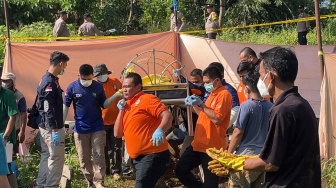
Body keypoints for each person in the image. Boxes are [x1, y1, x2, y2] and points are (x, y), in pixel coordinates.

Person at [242, 47, 321, 187]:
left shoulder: (282, 111)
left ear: (271, 76)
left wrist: (237, 163)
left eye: (261, 76)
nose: (260, 81)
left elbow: (270, 163)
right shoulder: (302, 104)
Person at [63, 64, 122, 188]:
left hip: (97, 127)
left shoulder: (98, 86)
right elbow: (66, 106)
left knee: (99, 155)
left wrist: (115, 96)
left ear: (92, 77)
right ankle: (90, 182)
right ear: (79, 76)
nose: (87, 82)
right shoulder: (72, 87)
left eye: (89, 79)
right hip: (80, 128)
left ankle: (99, 182)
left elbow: (104, 105)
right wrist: (60, 126)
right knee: (84, 158)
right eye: (84, 79)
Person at [175, 66, 232, 188]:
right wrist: (195, 105)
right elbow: (205, 115)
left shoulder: (224, 94)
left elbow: (217, 119)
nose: (205, 85)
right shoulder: (211, 94)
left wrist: (201, 104)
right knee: (180, 169)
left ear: (216, 81)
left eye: (207, 82)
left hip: (212, 148)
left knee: (210, 184)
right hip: (198, 145)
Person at [114, 72, 172, 188]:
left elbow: (168, 116)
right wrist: (121, 110)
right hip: (138, 158)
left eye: (128, 86)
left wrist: (160, 130)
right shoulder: (127, 105)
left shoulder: (147, 99)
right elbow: (117, 133)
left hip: (152, 154)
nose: (124, 90)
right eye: (123, 87)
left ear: (138, 87)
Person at [227, 71, 272, 188]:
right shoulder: (270, 106)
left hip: (246, 156)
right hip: (263, 157)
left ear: (247, 89)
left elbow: (238, 132)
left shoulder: (246, 106)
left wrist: (228, 155)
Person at [35, 51, 69, 188]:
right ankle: (51, 186)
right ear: (60, 63)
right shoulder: (49, 82)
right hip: (51, 127)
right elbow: (47, 107)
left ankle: (41, 184)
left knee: (46, 155)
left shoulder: (48, 79)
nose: (64, 68)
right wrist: (54, 129)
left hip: (45, 125)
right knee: (56, 158)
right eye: (65, 65)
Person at [93, 64, 123, 179]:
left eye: (102, 74)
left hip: (116, 120)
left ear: (106, 73)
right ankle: (106, 169)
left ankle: (117, 171)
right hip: (101, 122)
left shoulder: (115, 81)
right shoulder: (95, 86)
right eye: (98, 75)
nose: (100, 77)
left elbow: (124, 95)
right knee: (103, 148)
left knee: (117, 147)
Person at [1, 73, 27, 155]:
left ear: (12, 82)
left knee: (11, 155)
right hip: (3, 128)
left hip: (14, 129)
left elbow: (23, 114)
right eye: (3, 80)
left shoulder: (19, 96)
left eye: (6, 81)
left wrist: (22, 131)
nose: (4, 82)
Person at [0, 77, 18, 188]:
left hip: (6, 138)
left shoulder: (8, 95)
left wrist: (5, 137)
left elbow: (13, 117)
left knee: (7, 167)